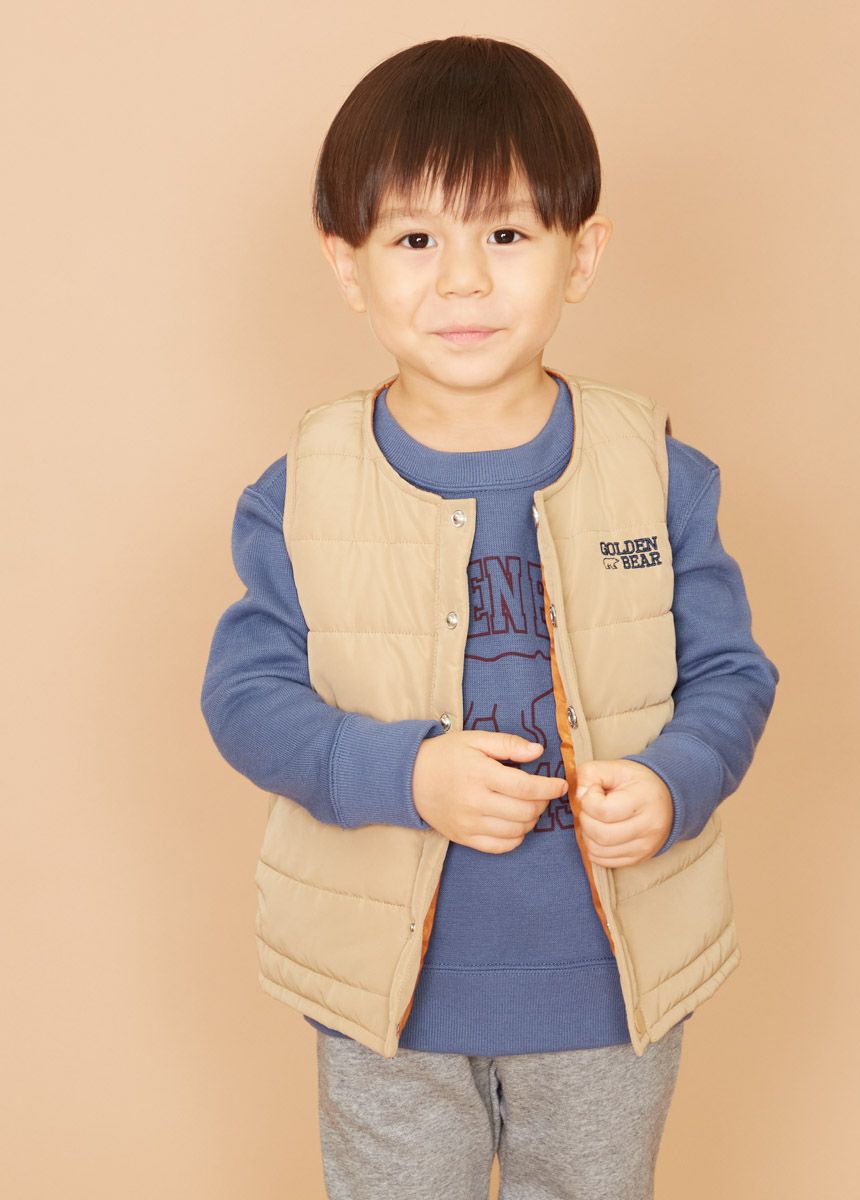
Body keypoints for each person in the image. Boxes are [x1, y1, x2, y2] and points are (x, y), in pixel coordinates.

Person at [200, 34, 780, 1200]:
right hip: (387, 995)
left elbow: (731, 674)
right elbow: (246, 697)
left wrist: (673, 781)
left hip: (606, 990)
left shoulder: (654, 472)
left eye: (506, 236)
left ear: (581, 254)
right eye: (415, 240)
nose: (462, 281)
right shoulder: (304, 488)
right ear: (348, 263)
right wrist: (404, 774)